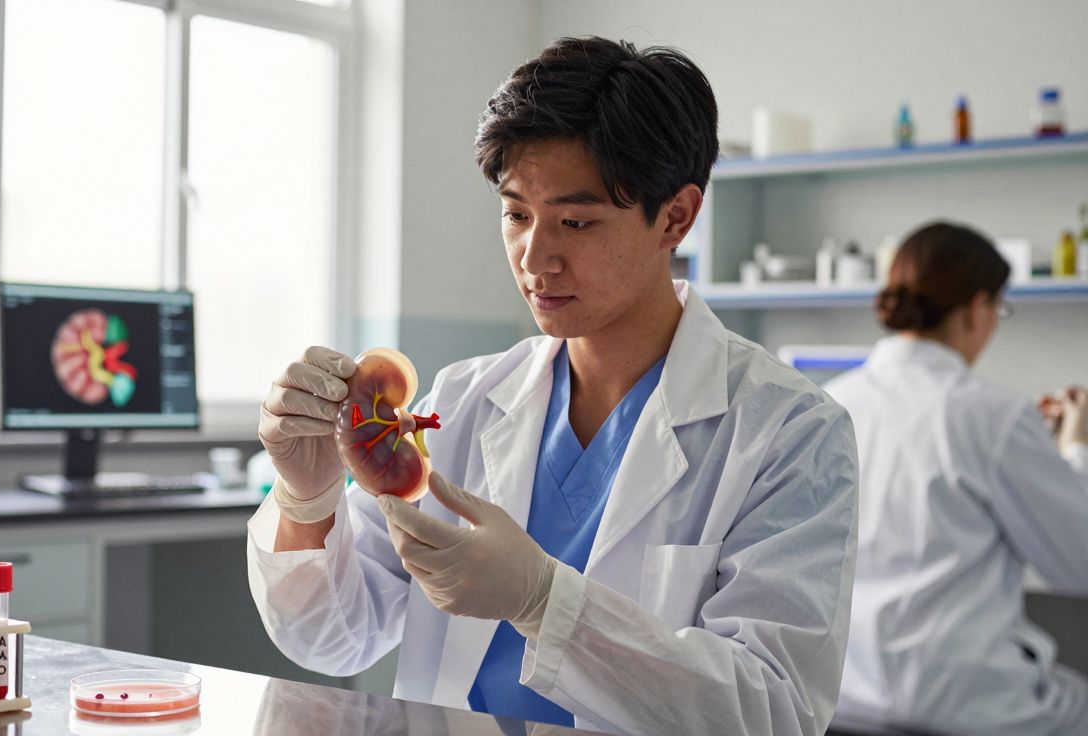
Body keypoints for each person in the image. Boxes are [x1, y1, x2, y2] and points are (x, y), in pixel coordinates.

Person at [249, 37, 859, 735]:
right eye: (516, 214)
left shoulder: (791, 433)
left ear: (677, 217)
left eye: (575, 221)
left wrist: (545, 601)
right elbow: (332, 636)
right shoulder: (468, 399)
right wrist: (307, 497)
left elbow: (772, 712)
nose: (535, 258)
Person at [826, 222, 1088, 735]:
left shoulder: (830, 402)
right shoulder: (991, 416)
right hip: (959, 707)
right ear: (977, 307)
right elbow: (1078, 561)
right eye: (999, 311)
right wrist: (1075, 445)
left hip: (841, 700)